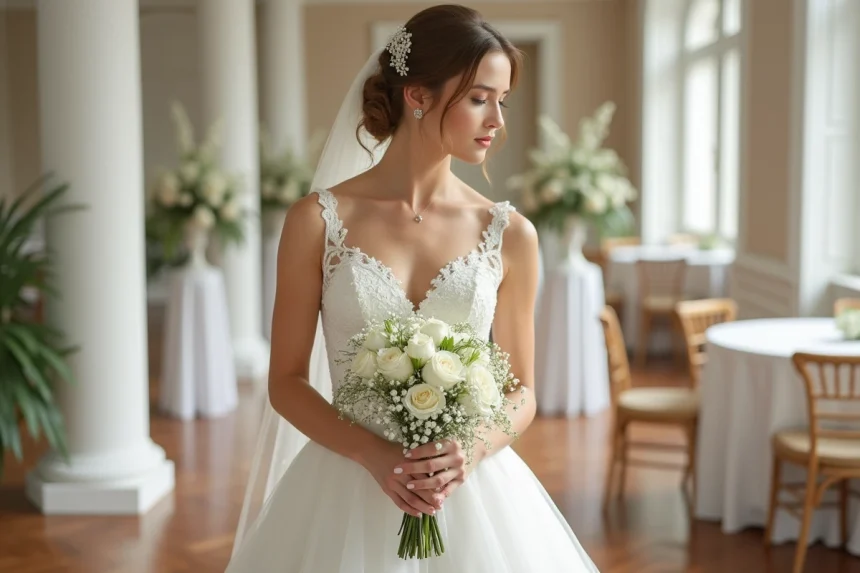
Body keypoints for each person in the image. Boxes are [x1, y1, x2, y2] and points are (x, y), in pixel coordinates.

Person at [225, 5, 599, 572]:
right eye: (479, 97)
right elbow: (285, 382)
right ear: (418, 95)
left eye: (503, 100)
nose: (497, 119)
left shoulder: (510, 234)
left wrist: (466, 453)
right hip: (347, 482)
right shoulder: (317, 221)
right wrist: (377, 459)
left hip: (470, 490)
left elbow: (522, 393)